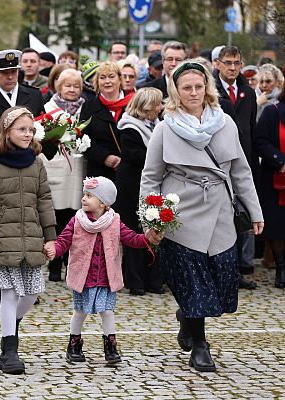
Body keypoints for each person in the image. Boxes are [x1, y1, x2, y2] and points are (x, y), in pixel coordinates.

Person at [140, 61, 263, 372]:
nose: (193, 92)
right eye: (186, 88)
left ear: (207, 88)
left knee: (222, 282)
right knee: (194, 284)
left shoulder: (226, 124)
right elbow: (150, 177)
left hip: (221, 211)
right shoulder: (166, 128)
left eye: (198, 86)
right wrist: (152, 221)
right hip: (181, 214)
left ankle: (187, 317)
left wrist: (255, 210)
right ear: (176, 92)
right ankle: (200, 344)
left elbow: (240, 171)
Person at [0, 106, 56, 375]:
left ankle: (11, 325)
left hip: (30, 237)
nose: (28, 134)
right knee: (8, 293)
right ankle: (9, 351)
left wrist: (51, 237)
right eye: (21, 129)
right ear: (6, 130)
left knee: (32, 292)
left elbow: (44, 200)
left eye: (30, 129)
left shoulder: (36, 162)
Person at [44, 176, 161, 364]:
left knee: (107, 312)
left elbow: (131, 238)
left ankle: (111, 346)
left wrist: (146, 238)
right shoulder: (77, 220)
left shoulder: (114, 221)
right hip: (84, 277)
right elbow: (64, 240)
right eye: (84, 195)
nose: (84, 199)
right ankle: (74, 343)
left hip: (106, 277)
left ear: (103, 203)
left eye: (89, 196)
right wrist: (54, 250)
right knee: (80, 311)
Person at [213, 46, 259, 290]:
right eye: (228, 62)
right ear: (218, 63)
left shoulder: (247, 93)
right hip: (218, 162)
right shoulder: (210, 90)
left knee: (241, 217)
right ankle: (218, 269)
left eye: (236, 63)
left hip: (242, 161)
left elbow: (250, 129)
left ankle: (238, 270)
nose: (232, 68)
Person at [116, 88, 164, 295]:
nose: (161, 107)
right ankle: (135, 281)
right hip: (132, 187)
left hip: (153, 185)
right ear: (147, 107)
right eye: (158, 104)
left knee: (156, 230)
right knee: (135, 233)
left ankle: (154, 280)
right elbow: (136, 156)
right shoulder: (129, 127)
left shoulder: (159, 126)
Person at [42, 68, 86, 282]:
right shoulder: (48, 108)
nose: (72, 90)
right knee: (56, 218)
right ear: (59, 87)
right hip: (56, 167)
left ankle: (71, 263)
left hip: (77, 169)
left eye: (76, 86)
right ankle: (54, 262)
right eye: (67, 85)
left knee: (74, 218)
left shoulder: (85, 109)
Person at [80, 61, 135, 181]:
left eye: (111, 76)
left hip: (130, 171)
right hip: (100, 171)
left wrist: (125, 160)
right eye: (102, 78)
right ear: (97, 82)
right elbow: (82, 137)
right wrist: (104, 157)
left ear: (120, 79)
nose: (107, 81)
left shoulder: (134, 104)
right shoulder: (89, 106)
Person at [253, 85, 285, 288]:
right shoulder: (272, 112)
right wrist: (280, 161)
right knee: (278, 225)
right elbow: (260, 141)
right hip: (276, 178)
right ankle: (281, 268)